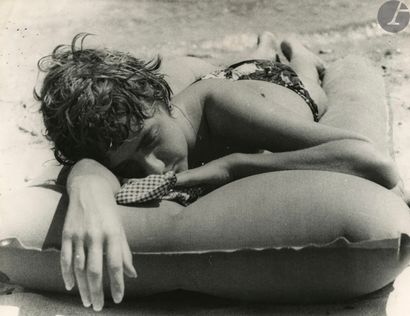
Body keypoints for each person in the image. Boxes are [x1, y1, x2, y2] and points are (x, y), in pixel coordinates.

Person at [28, 32, 400, 311]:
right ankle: (260, 44)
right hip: (228, 79)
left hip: (271, 88)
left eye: (150, 141)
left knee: (309, 89)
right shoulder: (142, 128)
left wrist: (233, 166)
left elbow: (373, 164)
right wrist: (87, 185)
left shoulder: (223, 107)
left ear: (161, 99)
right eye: (127, 167)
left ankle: (294, 54)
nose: (152, 168)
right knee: (240, 68)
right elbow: (86, 167)